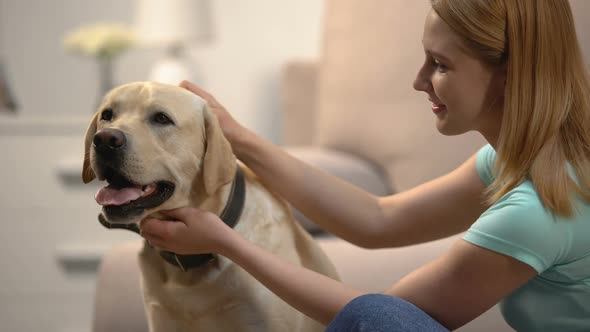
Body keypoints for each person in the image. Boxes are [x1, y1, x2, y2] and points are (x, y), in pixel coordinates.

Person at [140, 0, 590, 330]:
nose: (419, 81)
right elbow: (379, 219)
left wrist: (226, 243)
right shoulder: (524, 161)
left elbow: (375, 315)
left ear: (510, 73)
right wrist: (239, 138)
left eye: (440, 65)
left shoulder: (538, 210)